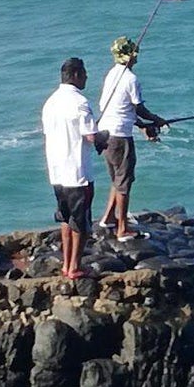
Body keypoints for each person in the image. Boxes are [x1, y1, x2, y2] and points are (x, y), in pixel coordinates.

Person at [96, 35, 167, 239]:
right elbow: (138, 108)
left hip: (105, 134)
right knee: (124, 182)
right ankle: (122, 228)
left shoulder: (112, 75)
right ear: (130, 57)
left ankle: (108, 218)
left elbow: (119, 109)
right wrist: (156, 120)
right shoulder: (131, 79)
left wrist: (143, 126)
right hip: (120, 137)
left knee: (117, 178)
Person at [41, 56, 98, 279]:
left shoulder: (50, 102)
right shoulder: (80, 102)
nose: (86, 77)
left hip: (56, 171)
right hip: (77, 171)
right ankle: (74, 267)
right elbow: (91, 136)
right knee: (81, 221)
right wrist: (104, 137)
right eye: (84, 73)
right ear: (75, 75)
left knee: (65, 219)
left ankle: (67, 264)